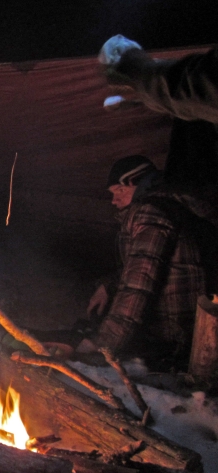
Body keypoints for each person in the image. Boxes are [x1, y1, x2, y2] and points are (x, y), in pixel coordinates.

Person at [76, 155, 217, 369]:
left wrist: (103, 344)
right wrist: (108, 285)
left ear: (138, 183)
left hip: (174, 338)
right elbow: (149, 264)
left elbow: (138, 284)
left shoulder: (151, 213)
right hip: (188, 327)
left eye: (119, 190)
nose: (114, 200)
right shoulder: (171, 205)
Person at [99, 36, 218, 218]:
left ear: (134, 181)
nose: (114, 201)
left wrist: (138, 73)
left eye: (119, 190)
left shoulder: (156, 211)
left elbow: (207, 86)